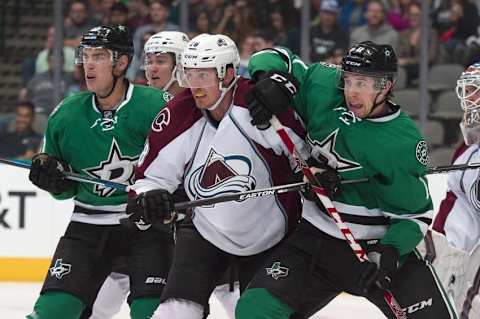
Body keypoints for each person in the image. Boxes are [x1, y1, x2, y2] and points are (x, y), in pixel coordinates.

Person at [235, 41, 457, 318]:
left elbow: (415, 216)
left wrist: (386, 254)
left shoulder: (400, 143)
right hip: (314, 239)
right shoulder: (325, 86)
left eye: (362, 83)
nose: (351, 92)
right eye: (348, 80)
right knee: (254, 310)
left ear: (386, 86)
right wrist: (269, 79)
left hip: (373, 250)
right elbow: (278, 57)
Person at [127, 33, 307, 319]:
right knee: (173, 313)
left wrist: (314, 177)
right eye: (189, 75)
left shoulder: (259, 105)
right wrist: (148, 197)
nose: (195, 86)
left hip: (273, 235)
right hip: (204, 232)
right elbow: (148, 179)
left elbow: (304, 159)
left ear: (229, 74)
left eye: (203, 75)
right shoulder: (177, 114)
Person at [25, 25, 172, 319]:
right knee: (53, 312)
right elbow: (64, 188)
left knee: (152, 313)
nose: (88, 64)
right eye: (86, 56)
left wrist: (166, 195)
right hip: (87, 226)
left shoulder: (156, 105)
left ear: (121, 63)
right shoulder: (67, 113)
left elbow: (184, 164)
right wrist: (51, 179)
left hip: (144, 227)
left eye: (99, 56)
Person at [428, 62, 480, 318]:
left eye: (475, 91)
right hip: (453, 249)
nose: (468, 99)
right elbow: (456, 199)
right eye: (467, 90)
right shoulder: (469, 148)